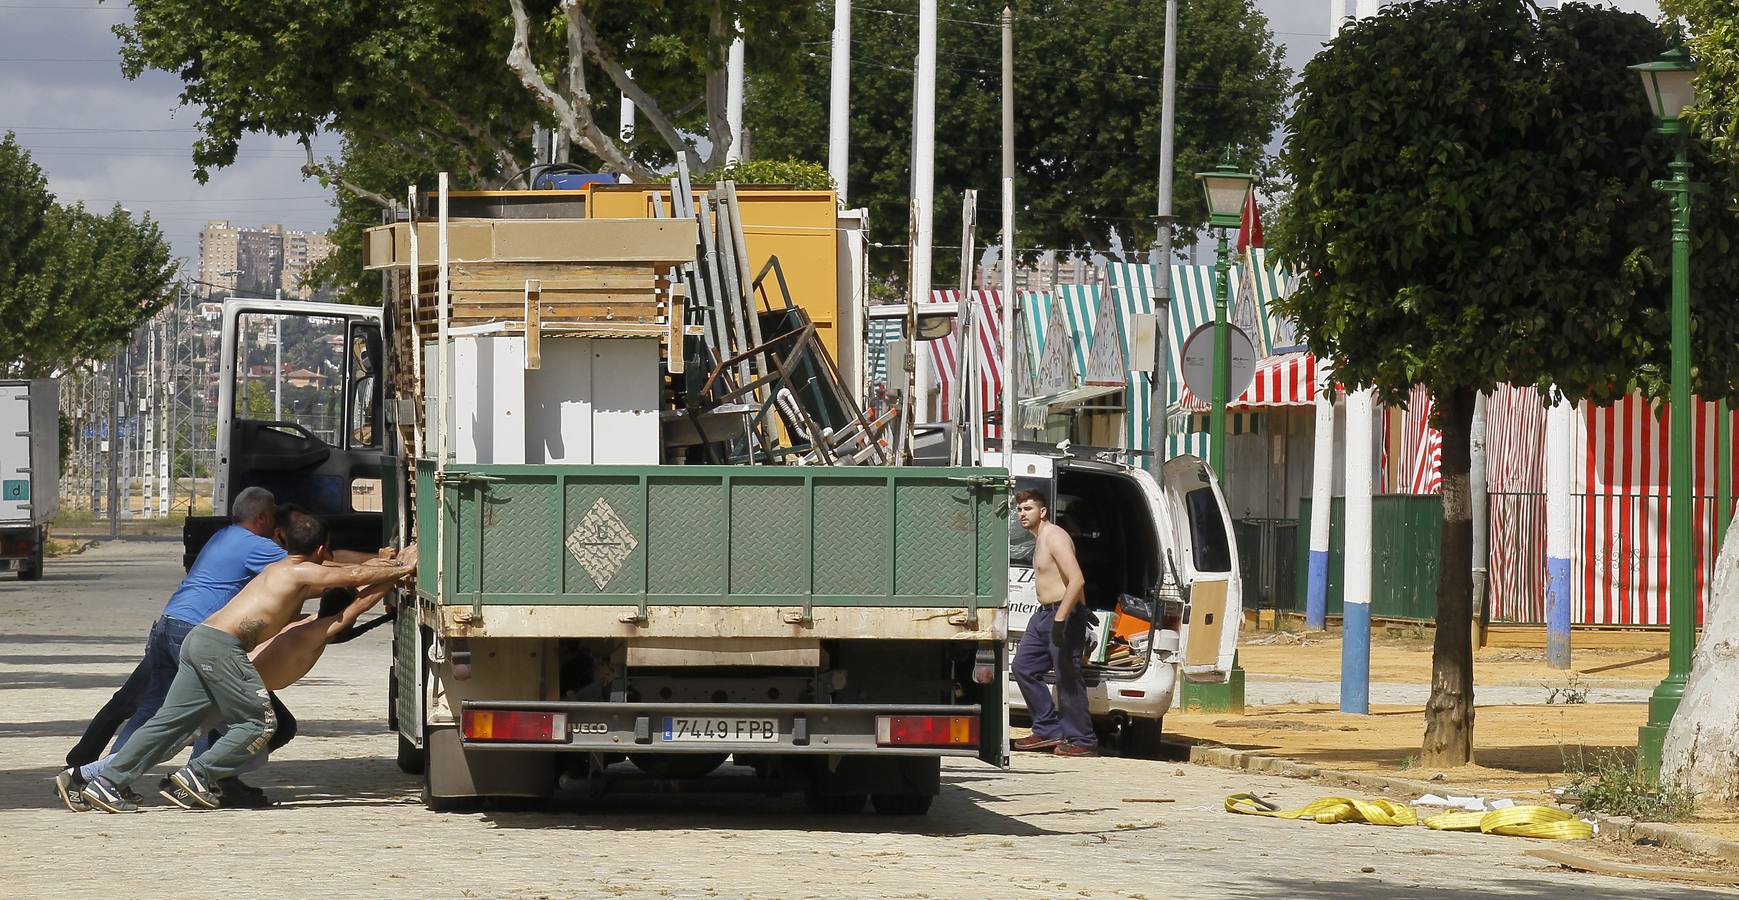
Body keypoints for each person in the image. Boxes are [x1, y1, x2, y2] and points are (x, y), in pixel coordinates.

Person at [78, 512, 417, 813]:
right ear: (318, 552)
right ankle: (196, 775)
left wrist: (390, 568)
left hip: (201, 638)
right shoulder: (301, 574)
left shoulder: (280, 569)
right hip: (222, 647)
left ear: (284, 540)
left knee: (169, 723)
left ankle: (105, 782)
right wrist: (405, 566)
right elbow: (355, 579)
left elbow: (351, 579)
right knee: (260, 723)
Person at [57, 486, 285, 811]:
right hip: (195, 630)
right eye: (273, 514)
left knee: (150, 712)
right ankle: (197, 780)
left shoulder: (223, 536)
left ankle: (100, 781)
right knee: (204, 712)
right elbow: (305, 567)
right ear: (262, 517)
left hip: (168, 622)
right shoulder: (256, 546)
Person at [192, 584, 397, 808]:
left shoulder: (308, 620)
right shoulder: (316, 631)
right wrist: (397, 573)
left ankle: (220, 776)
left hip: (235, 678)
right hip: (238, 686)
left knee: (280, 727)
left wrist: (381, 573)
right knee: (270, 730)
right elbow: (360, 605)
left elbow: (355, 603)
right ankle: (203, 775)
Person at [1009, 489, 1099, 758]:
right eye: (1020, 510)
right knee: (1023, 666)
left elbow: (1076, 578)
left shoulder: (1054, 537)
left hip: (1061, 614)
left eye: (1028, 509)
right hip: (1044, 614)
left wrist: (1066, 617)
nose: (1023, 514)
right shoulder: (1039, 540)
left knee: (1066, 675)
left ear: (1043, 511)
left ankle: (1083, 739)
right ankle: (1047, 729)